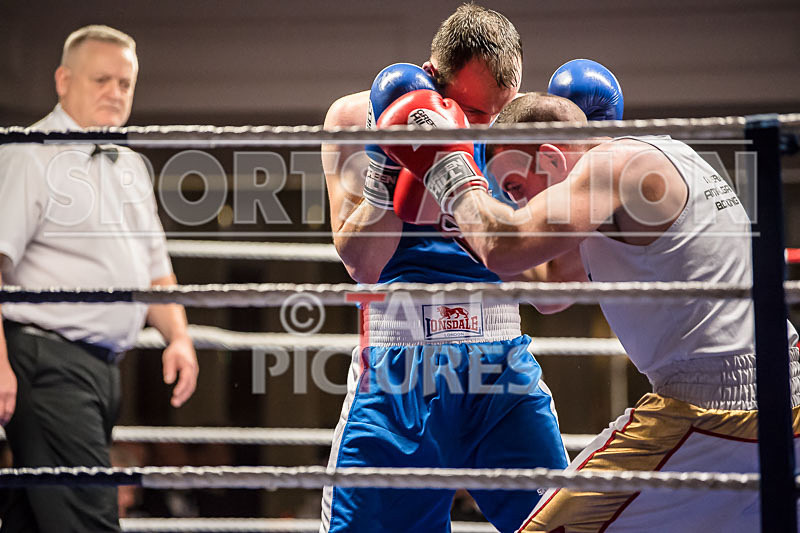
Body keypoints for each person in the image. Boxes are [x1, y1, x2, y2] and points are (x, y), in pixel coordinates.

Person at [378, 90, 800, 532]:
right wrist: (459, 225)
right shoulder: (659, 158)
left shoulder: (613, 167)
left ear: (551, 157)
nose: (522, 206)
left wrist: (450, 171)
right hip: (780, 398)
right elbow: (551, 290)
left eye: (517, 188)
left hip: (711, 409)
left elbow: (506, 245)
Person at [320, 5, 572, 533]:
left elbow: (552, 295)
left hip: (501, 363)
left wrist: (476, 222)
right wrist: (393, 162)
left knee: (564, 523)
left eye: (502, 113)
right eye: (477, 115)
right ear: (434, 78)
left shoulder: (523, 132)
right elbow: (362, 265)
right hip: (397, 365)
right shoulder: (354, 116)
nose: (490, 132)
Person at [0, 25, 199, 532]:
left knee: (35, 517)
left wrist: (177, 336)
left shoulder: (130, 165)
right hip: (47, 363)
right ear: (64, 80)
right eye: (101, 80)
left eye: (125, 83)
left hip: (102, 370)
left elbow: (155, 269)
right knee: (90, 516)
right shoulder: (29, 155)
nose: (115, 93)